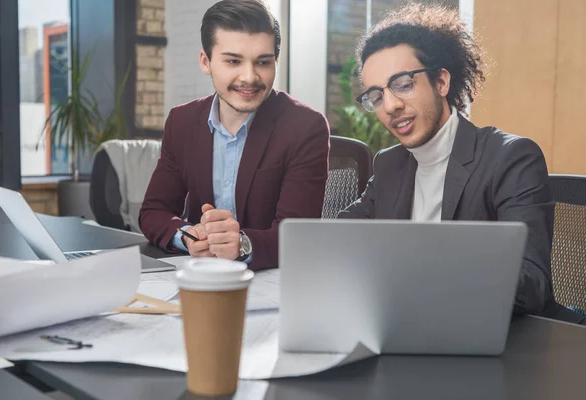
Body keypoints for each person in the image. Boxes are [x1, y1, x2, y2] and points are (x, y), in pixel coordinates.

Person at [338, 3, 554, 316]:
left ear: (441, 81)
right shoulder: (390, 164)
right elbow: (339, 236)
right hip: (410, 321)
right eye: (376, 95)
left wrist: (426, 259)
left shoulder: (510, 158)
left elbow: (531, 285)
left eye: (403, 84)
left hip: (495, 334)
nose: (390, 105)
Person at [139, 0, 330, 271]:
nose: (249, 77)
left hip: (270, 280)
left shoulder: (305, 127)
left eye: (262, 62)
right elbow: (153, 212)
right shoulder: (182, 122)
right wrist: (189, 236)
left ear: (275, 61)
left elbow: (297, 235)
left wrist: (242, 244)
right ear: (206, 61)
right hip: (201, 276)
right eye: (233, 61)